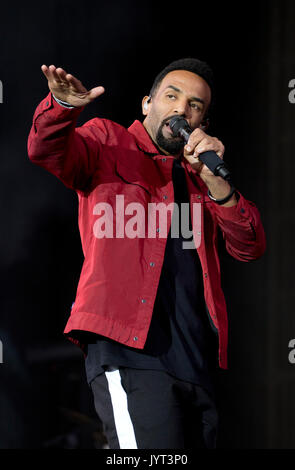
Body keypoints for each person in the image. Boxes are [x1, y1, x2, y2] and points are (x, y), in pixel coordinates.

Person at [27, 58, 266, 449]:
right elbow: (46, 150)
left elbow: (250, 246)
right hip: (129, 351)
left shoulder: (200, 179)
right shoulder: (107, 141)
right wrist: (64, 109)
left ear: (202, 122)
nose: (181, 109)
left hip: (195, 362)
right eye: (171, 96)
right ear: (146, 104)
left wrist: (215, 184)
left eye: (195, 105)